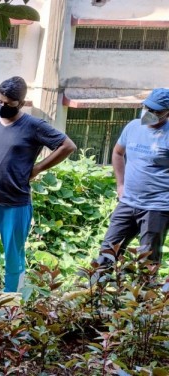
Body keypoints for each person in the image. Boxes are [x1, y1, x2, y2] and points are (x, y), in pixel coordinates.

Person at [0, 76, 76, 292]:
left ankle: (10, 305)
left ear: (21, 103)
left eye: (9, 104)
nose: (2, 106)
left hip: (15, 203)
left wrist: (38, 168)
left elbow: (67, 145)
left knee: (13, 256)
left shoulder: (33, 126)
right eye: (0, 101)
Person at [95, 88, 169, 289]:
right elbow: (118, 153)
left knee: (147, 260)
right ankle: (93, 298)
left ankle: (145, 312)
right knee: (108, 251)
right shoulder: (133, 127)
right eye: (146, 107)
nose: (148, 112)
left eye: (155, 110)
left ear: (167, 112)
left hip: (157, 207)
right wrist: (121, 184)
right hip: (128, 202)